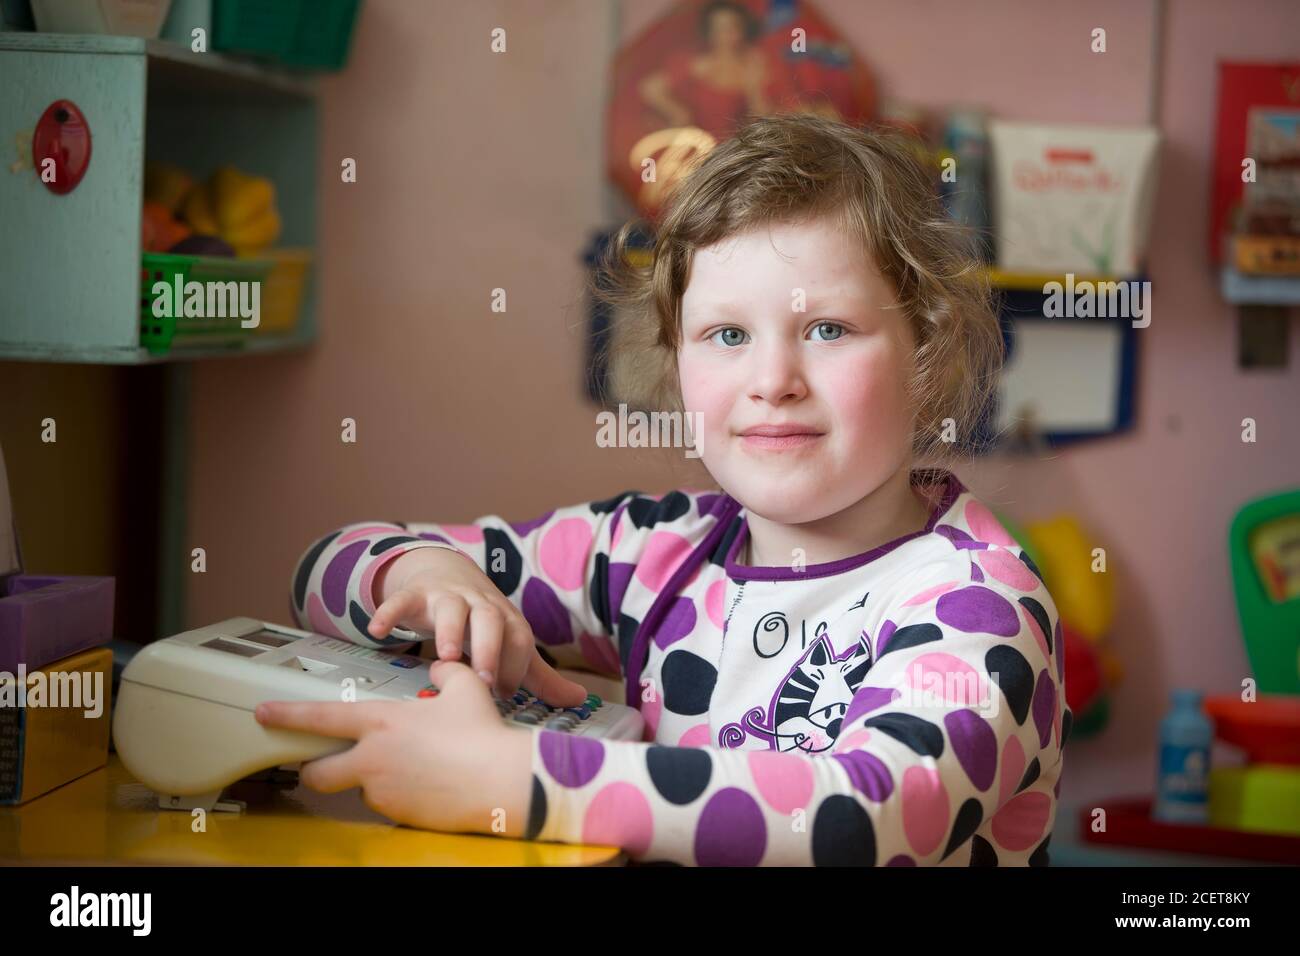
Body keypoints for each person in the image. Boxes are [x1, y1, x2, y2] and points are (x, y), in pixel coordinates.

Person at [257, 113, 1070, 866]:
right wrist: (429, 579)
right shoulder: (651, 552)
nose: (772, 380)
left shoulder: (980, 604)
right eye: (726, 335)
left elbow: (868, 815)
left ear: (923, 350)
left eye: (828, 329)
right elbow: (324, 569)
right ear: (678, 363)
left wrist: (517, 777)